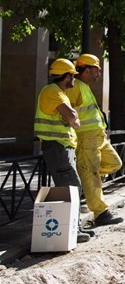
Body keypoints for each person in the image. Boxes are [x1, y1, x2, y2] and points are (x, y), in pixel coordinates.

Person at [34, 58, 91, 243]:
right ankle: (73, 230)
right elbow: (72, 116)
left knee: (70, 186)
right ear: (66, 76)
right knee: (70, 186)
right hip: (56, 147)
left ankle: (73, 228)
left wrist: (72, 118)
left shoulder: (58, 92)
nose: (74, 79)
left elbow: (72, 117)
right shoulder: (52, 92)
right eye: (73, 75)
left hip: (61, 146)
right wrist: (72, 118)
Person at [66, 54, 124, 227]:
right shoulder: (75, 87)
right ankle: (101, 213)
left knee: (115, 163)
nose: (98, 74)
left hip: (98, 138)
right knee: (92, 175)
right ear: (86, 70)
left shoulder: (84, 86)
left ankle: (87, 179)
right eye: (96, 70)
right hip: (86, 139)